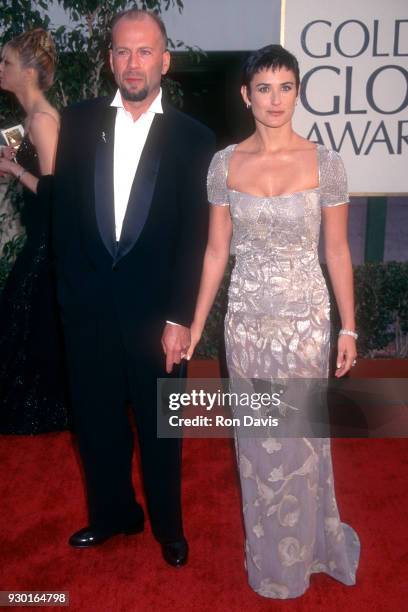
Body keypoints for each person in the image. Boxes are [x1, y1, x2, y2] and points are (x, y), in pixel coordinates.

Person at [187, 45, 360, 598]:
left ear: (298, 91)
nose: (275, 99)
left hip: (305, 324)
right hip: (246, 326)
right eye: (264, 88)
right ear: (246, 95)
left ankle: (309, 548)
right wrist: (194, 326)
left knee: (301, 440)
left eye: (286, 87)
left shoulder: (324, 163)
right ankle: (271, 561)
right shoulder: (224, 164)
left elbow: (336, 251)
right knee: (258, 444)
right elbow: (216, 253)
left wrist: (349, 328)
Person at [51, 9, 215, 566]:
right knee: (96, 424)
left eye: (145, 51)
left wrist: (181, 318)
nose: (133, 62)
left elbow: (198, 236)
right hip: (90, 312)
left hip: (158, 317)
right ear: (109, 60)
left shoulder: (195, 138)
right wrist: (70, 301)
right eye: (122, 51)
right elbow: (64, 219)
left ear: (164, 60)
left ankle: (168, 526)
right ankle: (112, 514)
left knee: (161, 426)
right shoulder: (78, 122)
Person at [0, 29, 69, 434]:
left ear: (27, 72)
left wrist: (13, 168)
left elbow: (56, 189)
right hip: (38, 238)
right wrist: (13, 158)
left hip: (48, 244)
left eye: (6, 62)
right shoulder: (29, 119)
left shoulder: (42, 119)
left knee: (25, 323)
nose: (1, 69)